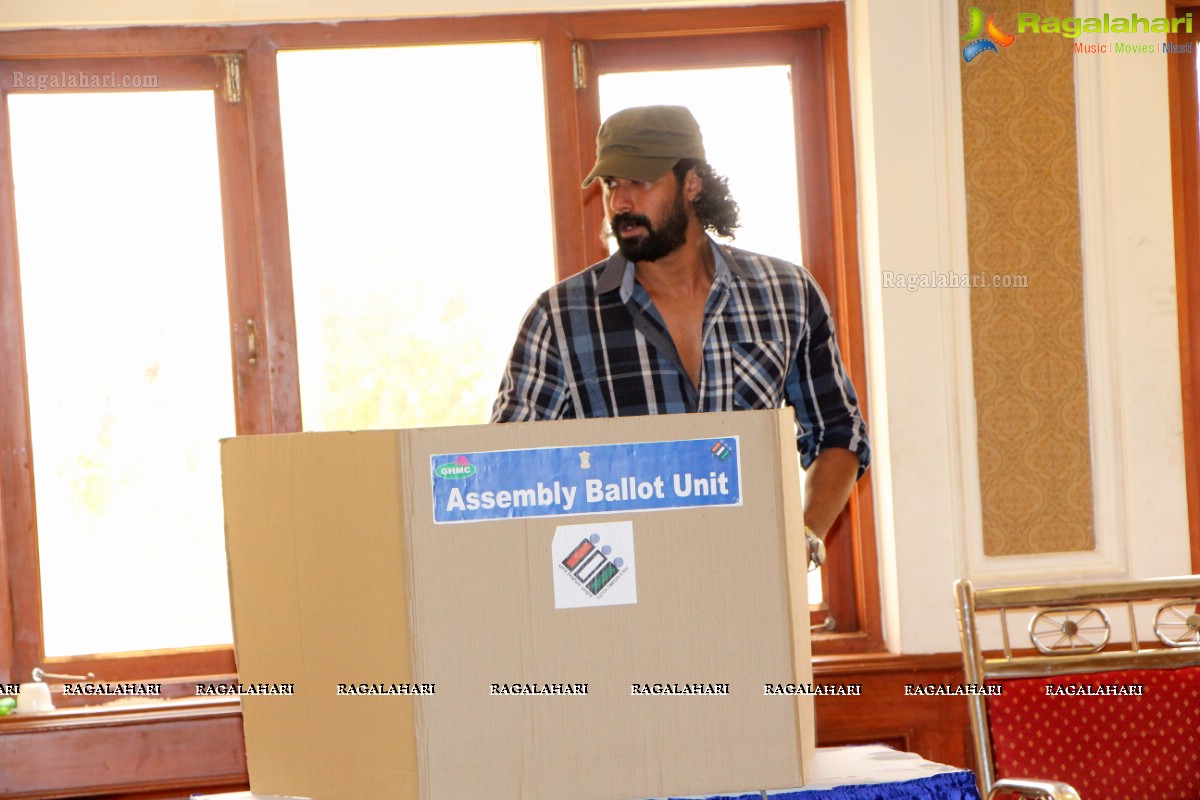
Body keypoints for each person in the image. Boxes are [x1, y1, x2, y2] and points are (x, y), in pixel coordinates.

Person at [491, 105, 869, 567]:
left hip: (752, 582)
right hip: (617, 592)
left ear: (692, 183)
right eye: (612, 184)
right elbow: (507, 469)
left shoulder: (785, 293)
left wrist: (804, 535)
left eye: (640, 181)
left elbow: (838, 431)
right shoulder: (560, 318)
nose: (620, 203)